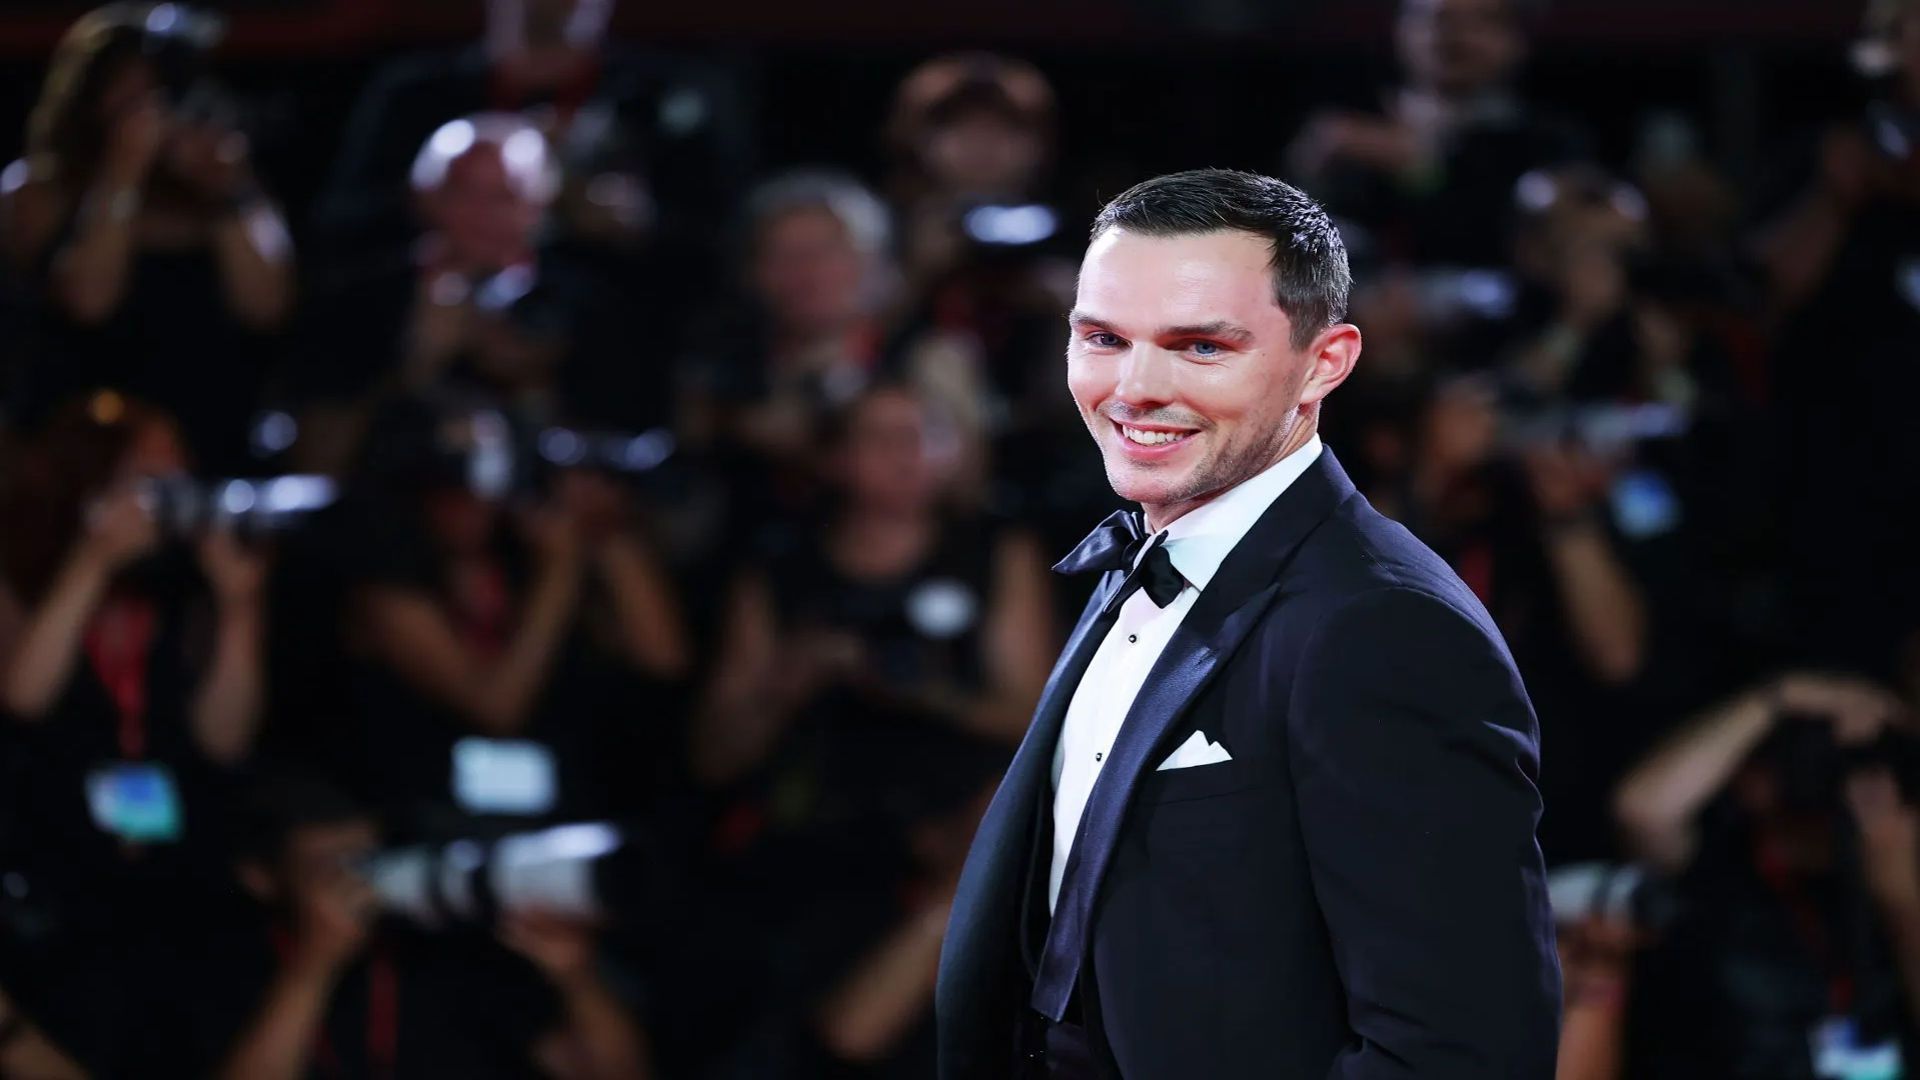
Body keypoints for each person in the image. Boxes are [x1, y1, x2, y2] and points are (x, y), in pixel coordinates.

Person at [936, 169, 1561, 1078]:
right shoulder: (1146, 552)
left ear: (1326, 362)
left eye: (1199, 348)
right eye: (1104, 338)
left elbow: (1460, 1049)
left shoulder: (1382, 627)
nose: (1135, 388)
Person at [0, 394, 266, 1077]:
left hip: (177, 874)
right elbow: (22, 694)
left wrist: (238, 605)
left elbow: (225, 738)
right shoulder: (22, 573)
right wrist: (92, 563)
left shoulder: (186, 590)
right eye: (146, 475)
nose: (169, 488)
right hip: (56, 870)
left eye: (178, 470)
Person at [1, 3, 295, 474]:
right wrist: (122, 174)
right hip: (81, 450)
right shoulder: (38, 191)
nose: (151, 112)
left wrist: (225, 191)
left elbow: (268, 307)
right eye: (129, 93)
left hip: (210, 444)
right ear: (89, 98)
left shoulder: (225, 183)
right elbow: (88, 302)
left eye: (161, 93)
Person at [194, 777, 650, 1079]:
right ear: (261, 876)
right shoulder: (221, 961)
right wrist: (311, 969)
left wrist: (575, 975)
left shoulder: (441, 944)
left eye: (367, 858)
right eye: (330, 866)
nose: (357, 881)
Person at [1612, 672, 1920, 1077]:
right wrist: (1782, 696)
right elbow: (1640, 809)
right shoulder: (1718, 866)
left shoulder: (1895, 879)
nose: (1846, 783)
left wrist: (1901, 901)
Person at [1286, 0, 1588, 269]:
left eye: (1482, 20)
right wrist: (1309, 173)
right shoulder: (1345, 123)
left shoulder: (1547, 142)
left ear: (1518, 40)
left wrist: (1422, 170)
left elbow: (1508, 248)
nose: (1453, 36)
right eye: (1436, 18)